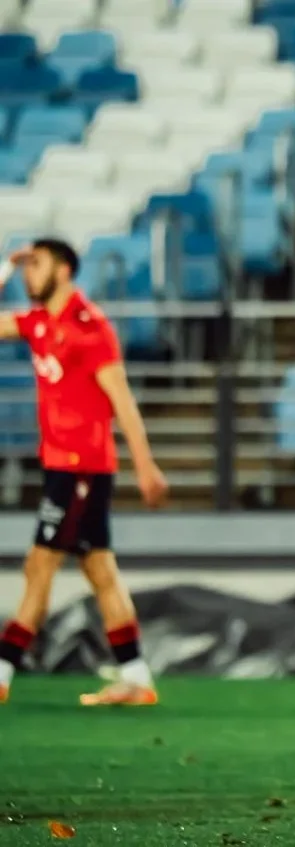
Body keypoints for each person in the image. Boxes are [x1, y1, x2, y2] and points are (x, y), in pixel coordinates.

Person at [0, 238, 169, 706]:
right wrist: (4, 269)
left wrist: (145, 464)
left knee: (39, 567)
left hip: (81, 468)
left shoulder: (89, 328)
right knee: (101, 572)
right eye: (27, 266)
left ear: (65, 271)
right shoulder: (37, 324)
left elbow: (123, 402)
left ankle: (2, 670)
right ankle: (137, 680)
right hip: (62, 466)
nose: (30, 273)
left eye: (37, 265)